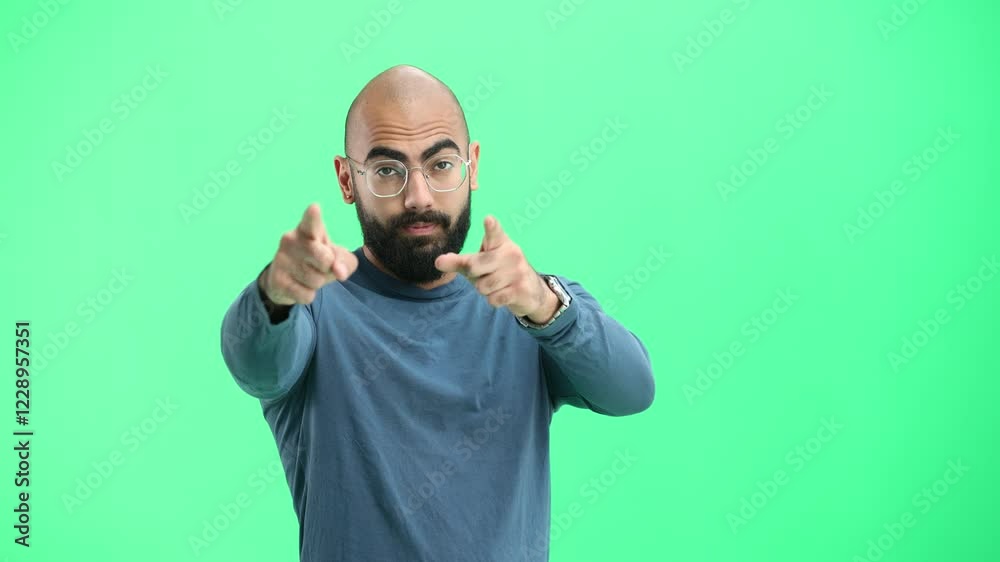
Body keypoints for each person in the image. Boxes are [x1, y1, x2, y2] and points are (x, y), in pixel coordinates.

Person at [220, 64, 655, 562]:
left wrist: (542, 305)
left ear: (473, 166)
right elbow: (254, 364)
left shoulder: (529, 305)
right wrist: (275, 293)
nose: (418, 197)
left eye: (441, 164)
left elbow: (632, 390)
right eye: (387, 171)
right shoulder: (313, 306)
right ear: (347, 179)